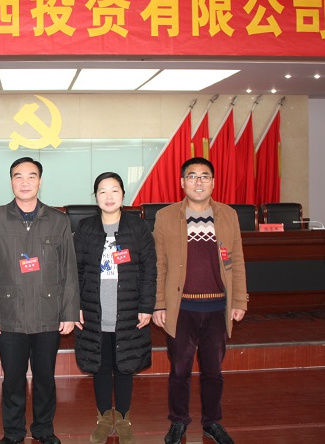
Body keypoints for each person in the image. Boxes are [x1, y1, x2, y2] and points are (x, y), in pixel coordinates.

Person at [0, 156, 80, 444]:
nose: (25, 182)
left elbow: (69, 270)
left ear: (40, 181)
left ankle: (44, 429)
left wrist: (69, 312)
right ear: (11, 181)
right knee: (13, 378)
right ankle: (13, 432)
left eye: (31, 176)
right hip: (9, 313)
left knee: (45, 377)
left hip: (48, 313)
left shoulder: (58, 220)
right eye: (18, 176)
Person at [152, 157, 248, 444]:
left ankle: (212, 422)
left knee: (213, 371)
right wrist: (159, 303)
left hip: (217, 307)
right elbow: (159, 264)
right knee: (179, 370)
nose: (198, 182)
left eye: (204, 176)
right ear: (182, 182)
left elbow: (237, 260)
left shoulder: (228, 215)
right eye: (192, 176)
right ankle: (178, 421)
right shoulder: (166, 216)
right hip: (181, 308)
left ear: (213, 182)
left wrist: (239, 300)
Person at [73, 172, 156, 444]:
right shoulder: (85, 228)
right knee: (100, 366)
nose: (109, 196)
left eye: (114, 191)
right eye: (102, 191)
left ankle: (122, 419)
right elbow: (76, 270)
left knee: (124, 366)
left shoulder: (138, 228)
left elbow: (149, 269)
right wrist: (76, 306)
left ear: (123, 195)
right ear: (95, 196)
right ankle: (102, 419)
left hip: (129, 310)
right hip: (94, 311)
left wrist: (146, 306)